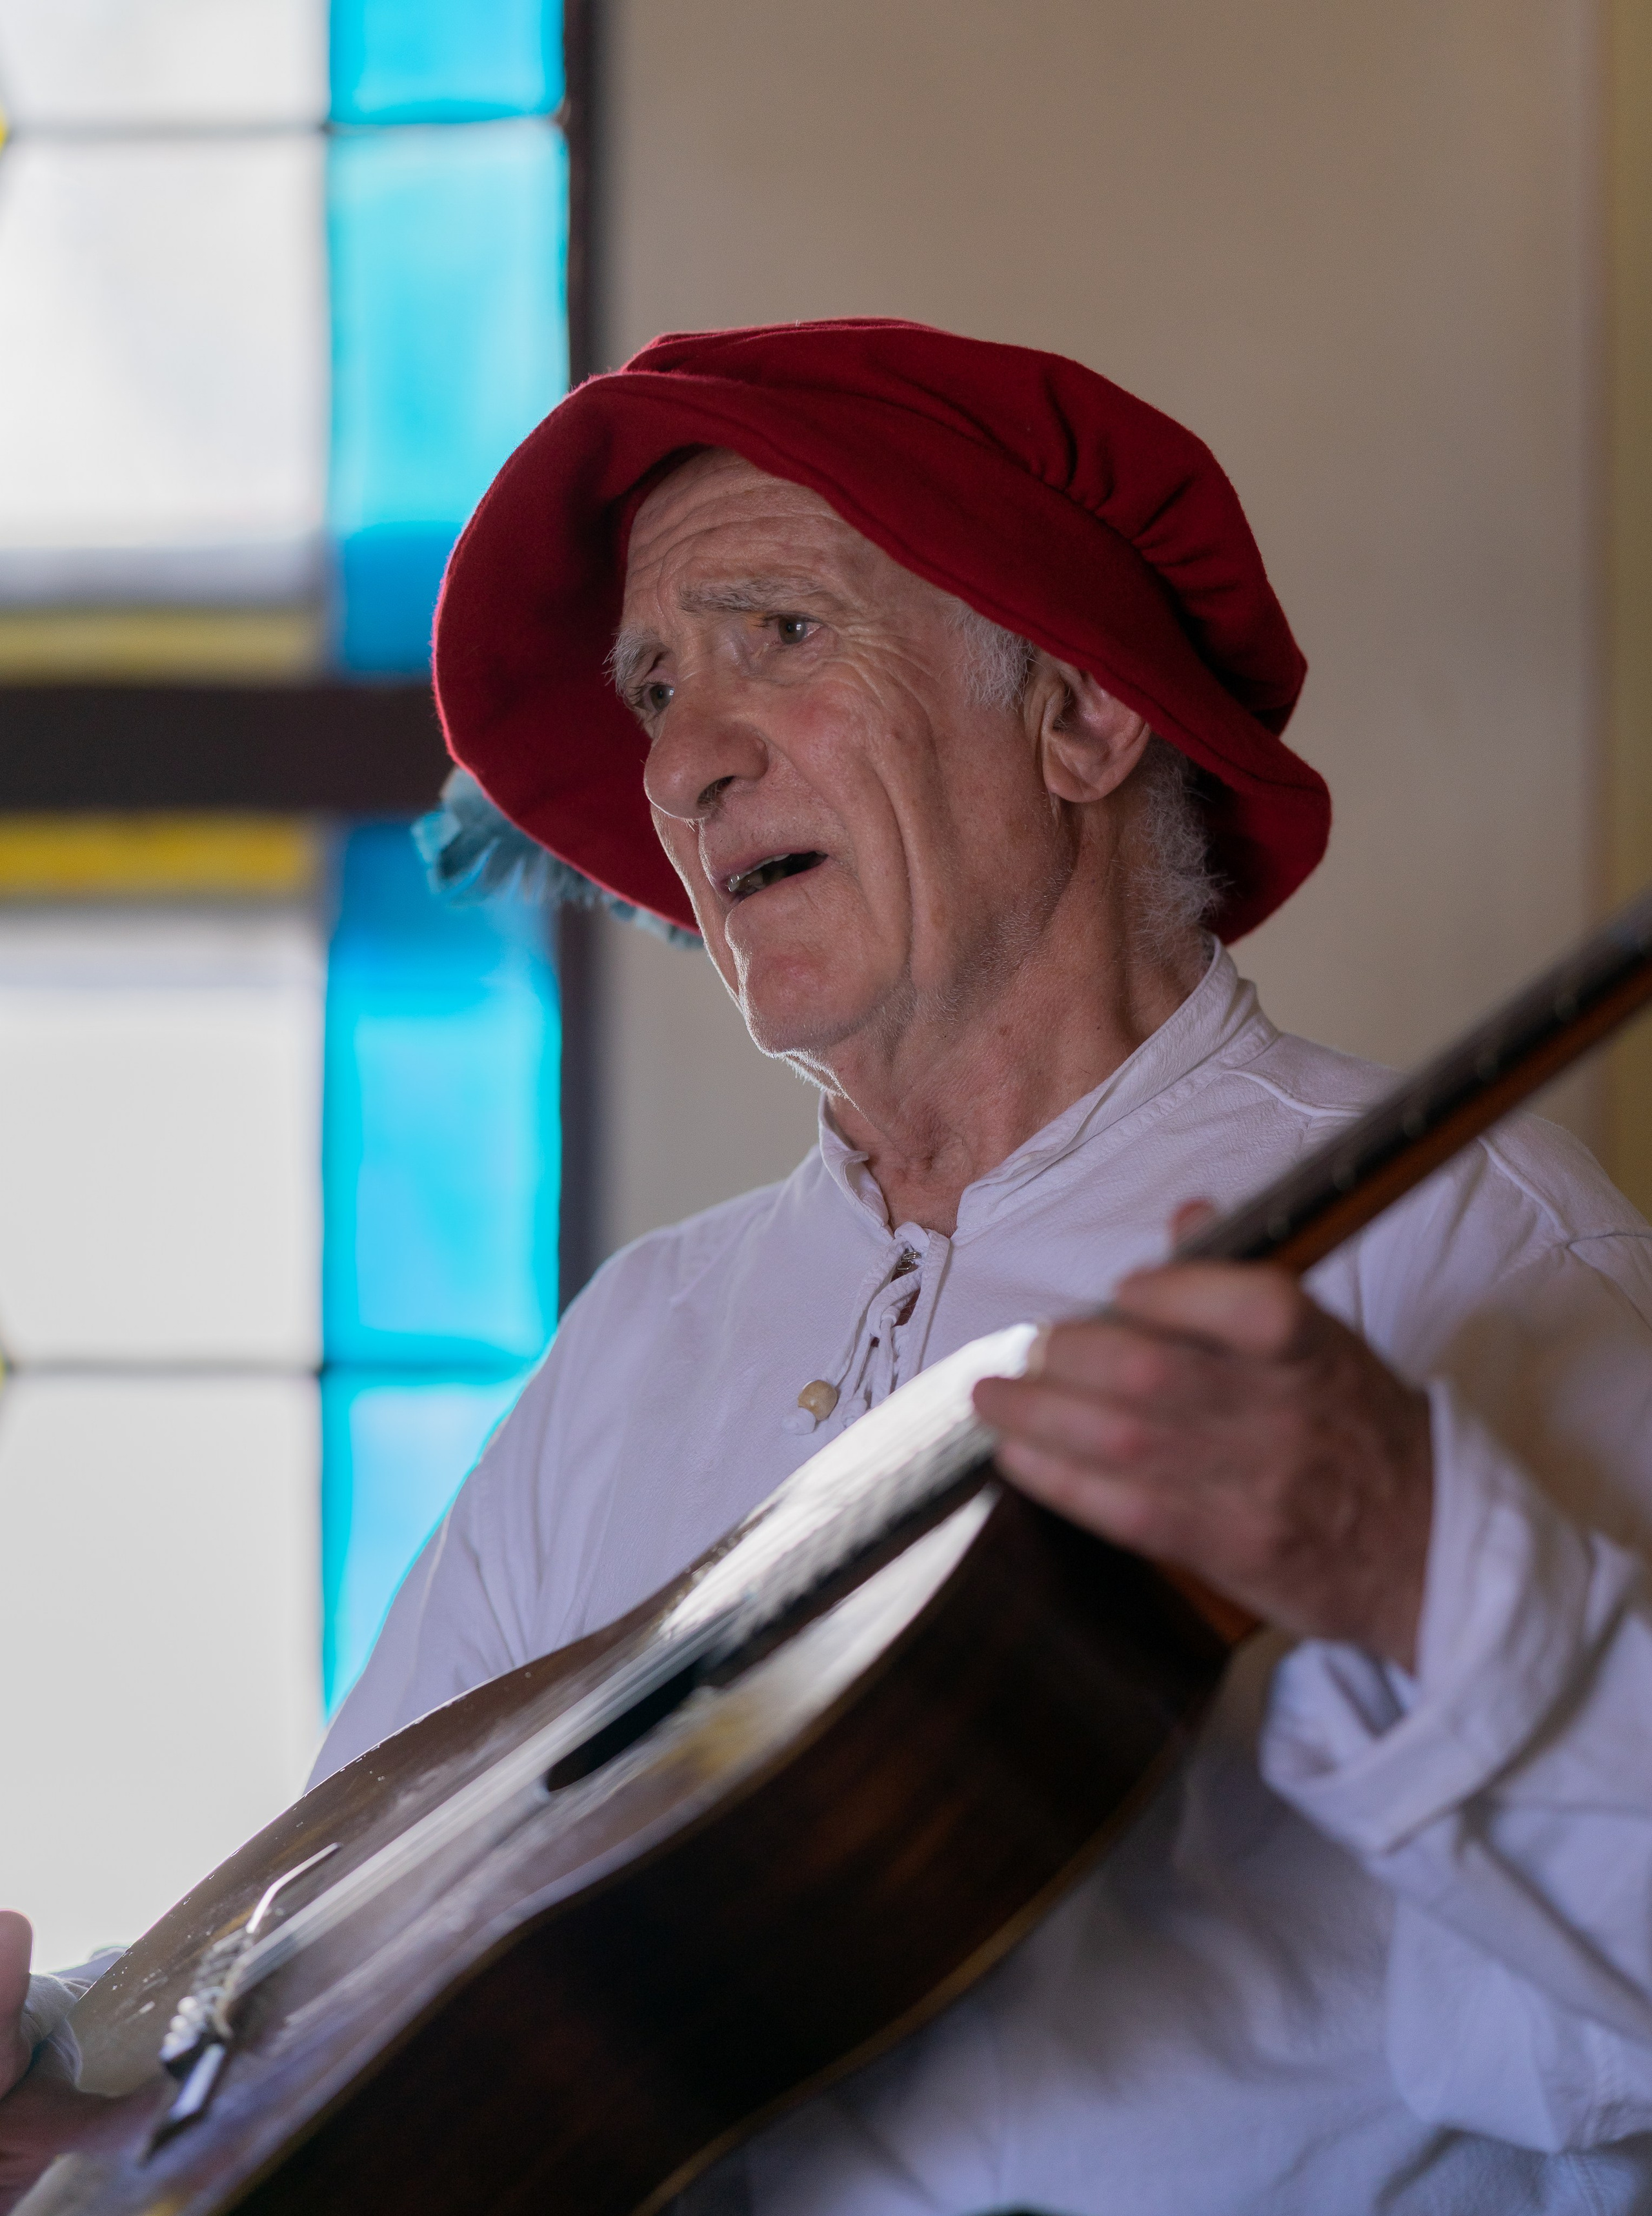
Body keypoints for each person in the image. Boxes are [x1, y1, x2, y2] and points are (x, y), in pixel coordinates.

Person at [6, 320, 1652, 2213]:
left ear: (1085, 716)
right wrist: (90, 2093)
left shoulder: (1469, 1244)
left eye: (780, 635)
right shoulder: (642, 1336)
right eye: (650, 688)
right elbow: (355, 1987)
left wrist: (1410, 1562)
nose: (686, 766)